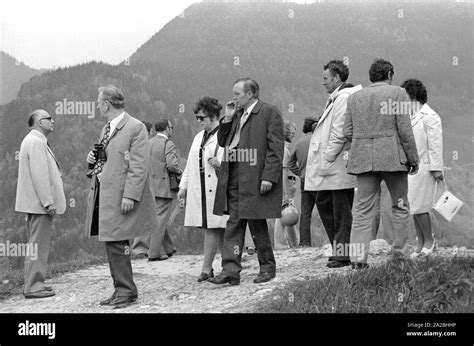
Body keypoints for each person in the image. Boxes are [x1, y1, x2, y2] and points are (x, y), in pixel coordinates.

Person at [85, 85, 157, 308]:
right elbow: (104, 159)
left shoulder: (135, 128)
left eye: (99, 102)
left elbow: (139, 166)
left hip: (120, 195)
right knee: (111, 241)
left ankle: (126, 290)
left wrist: (130, 196)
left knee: (118, 241)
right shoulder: (106, 129)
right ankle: (121, 290)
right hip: (105, 194)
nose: (97, 106)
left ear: (107, 104)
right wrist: (92, 160)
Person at [344, 59, 419, 269]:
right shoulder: (398, 93)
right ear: (389, 74)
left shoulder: (354, 97)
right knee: (400, 205)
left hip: (363, 158)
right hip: (392, 157)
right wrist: (413, 158)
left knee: (362, 209)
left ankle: (358, 260)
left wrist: (363, 142)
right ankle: (399, 255)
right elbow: (404, 129)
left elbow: (347, 131)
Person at [209, 78, 284, 285]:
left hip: (254, 177)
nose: (233, 98)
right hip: (233, 176)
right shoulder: (236, 115)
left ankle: (267, 267)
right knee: (234, 223)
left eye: (237, 94)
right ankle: (231, 271)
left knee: (257, 223)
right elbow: (223, 142)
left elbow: (275, 149)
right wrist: (228, 118)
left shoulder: (269, 112)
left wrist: (269, 176)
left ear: (250, 94)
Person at [305, 60, 363, 268]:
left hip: (337, 164)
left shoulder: (343, 98)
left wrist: (327, 157)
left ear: (337, 78)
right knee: (326, 204)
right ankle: (339, 249)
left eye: (326, 79)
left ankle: (343, 253)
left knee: (340, 209)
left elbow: (339, 132)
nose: (323, 83)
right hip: (331, 165)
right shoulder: (336, 98)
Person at [15, 110, 66, 299]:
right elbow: (40, 176)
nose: (53, 121)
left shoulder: (32, 140)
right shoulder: (36, 142)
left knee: (35, 243)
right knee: (38, 244)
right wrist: (48, 202)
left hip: (34, 204)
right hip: (39, 204)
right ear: (38, 122)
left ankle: (33, 283)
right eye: (48, 119)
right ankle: (34, 286)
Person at [177, 96, 229, 282]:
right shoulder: (199, 137)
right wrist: (183, 187)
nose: (199, 121)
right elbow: (191, 164)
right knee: (214, 227)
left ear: (214, 116)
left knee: (216, 227)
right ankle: (226, 266)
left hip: (217, 189)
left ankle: (209, 268)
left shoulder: (224, 135)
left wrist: (219, 164)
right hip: (200, 189)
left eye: (202, 118)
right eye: (197, 118)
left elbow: (234, 163)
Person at [401, 79, 443, 257]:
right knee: (414, 207)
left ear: (413, 96)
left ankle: (429, 241)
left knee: (422, 207)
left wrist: (436, 168)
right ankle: (420, 242)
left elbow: (435, 144)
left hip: (426, 168)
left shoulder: (429, 116)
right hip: (413, 169)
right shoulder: (411, 116)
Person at [133, 119, 181, 261]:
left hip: (149, 188)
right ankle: (153, 253)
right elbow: (172, 165)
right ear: (167, 128)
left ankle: (169, 248)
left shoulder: (148, 142)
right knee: (160, 220)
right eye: (171, 127)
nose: (172, 130)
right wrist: (180, 172)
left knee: (156, 217)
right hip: (164, 189)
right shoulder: (168, 144)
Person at [288, 117, 318, 247]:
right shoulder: (318, 140)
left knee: (305, 213)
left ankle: (305, 242)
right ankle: (333, 241)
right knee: (326, 211)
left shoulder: (299, 142)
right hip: (318, 180)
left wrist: (299, 172)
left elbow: (290, 162)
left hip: (304, 180)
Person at [274, 120, 299, 249]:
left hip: (287, 188)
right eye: (292, 133)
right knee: (285, 214)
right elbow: (283, 172)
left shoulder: (283, 149)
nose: (293, 135)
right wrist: (286, 193)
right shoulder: (283, 151)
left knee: (287, 214)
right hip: (286, 189)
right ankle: (281, 243)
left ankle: (292, 243)